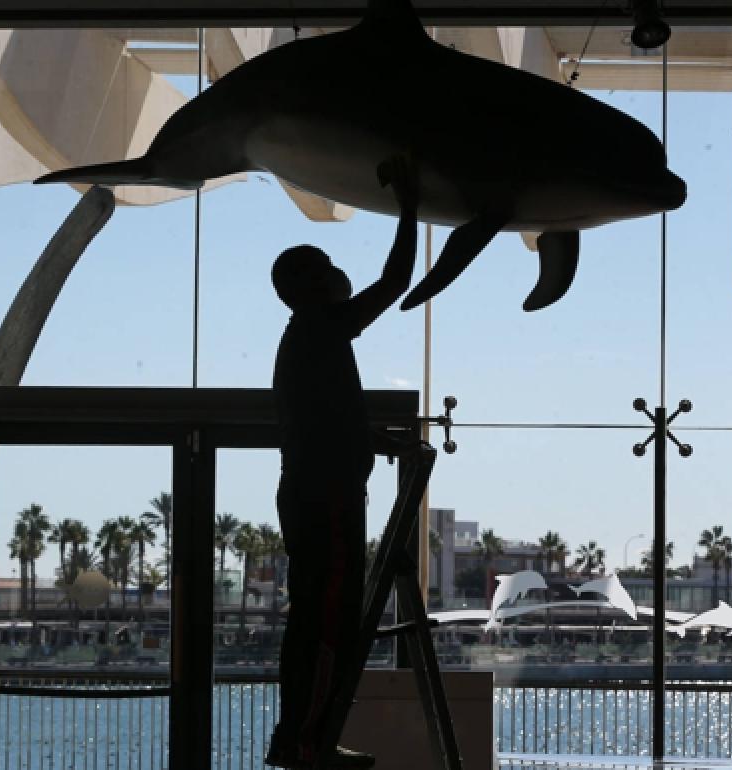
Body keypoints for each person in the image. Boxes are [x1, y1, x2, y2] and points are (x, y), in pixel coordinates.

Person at [265, 155, 419, 769]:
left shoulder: (309, 340)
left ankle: (308, 738)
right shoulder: (320, 326)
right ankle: (306, 744)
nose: (338, 273)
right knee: (325, 622)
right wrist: (409, 205)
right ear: (311, 287)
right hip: (324, 496)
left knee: (320, 617)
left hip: (318, 490)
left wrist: (372, 439)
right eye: (326, 267)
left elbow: (327, 419)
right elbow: (394, 281)